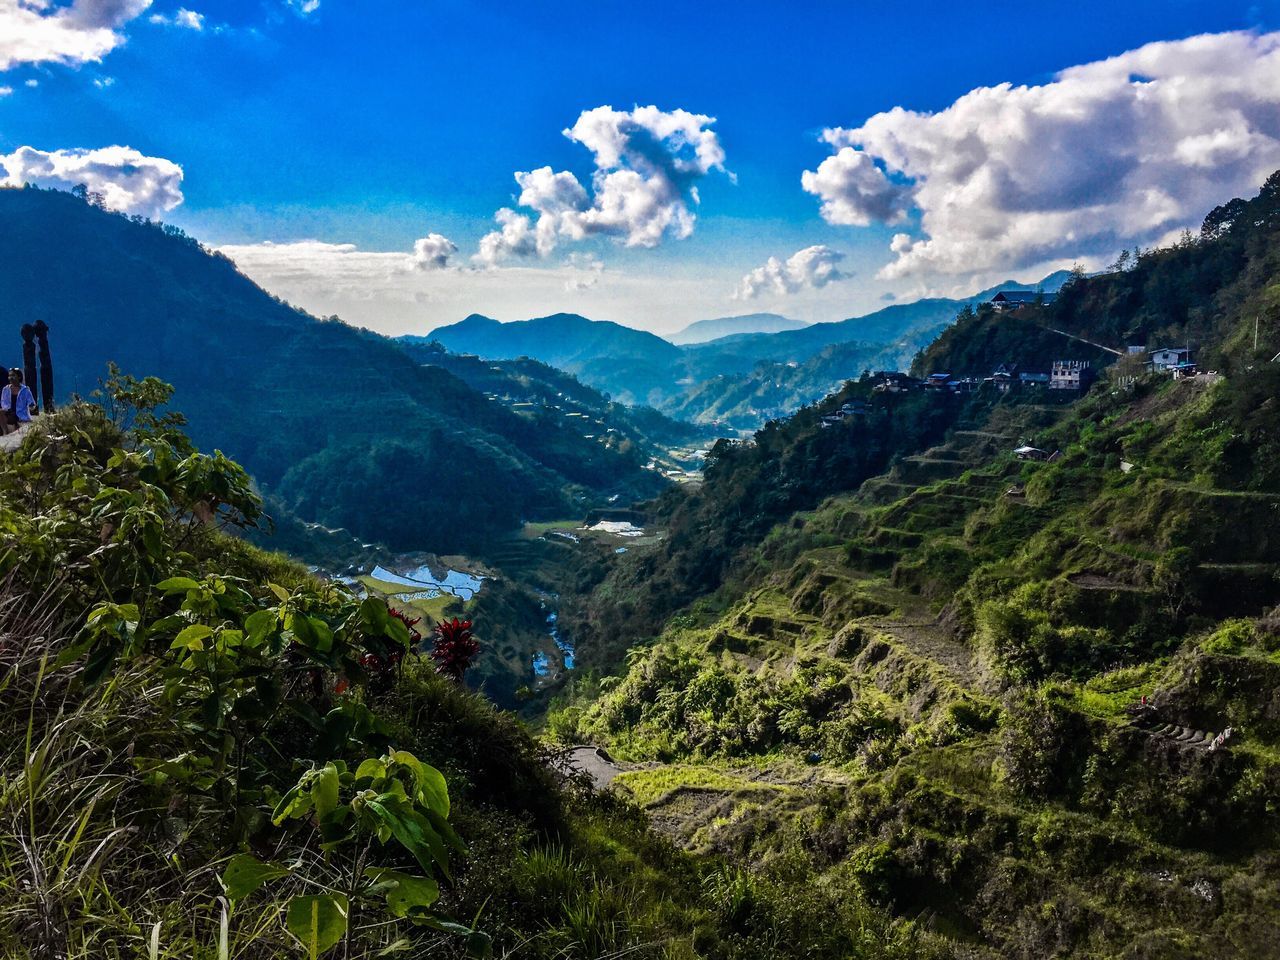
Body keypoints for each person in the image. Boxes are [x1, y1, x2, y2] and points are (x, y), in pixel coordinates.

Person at [0, 368, 36, 435]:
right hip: (10, 413)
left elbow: (32, 403)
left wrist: (32, 407)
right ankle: (5, 432)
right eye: (9, 376)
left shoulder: (25, 390)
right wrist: (8, 410)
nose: (10, 378)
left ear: (19, 377)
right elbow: (3, 403)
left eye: (13, 375)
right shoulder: (5, 389)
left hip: (21, 415)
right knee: (1, 412)